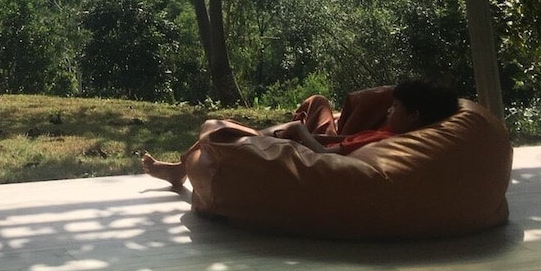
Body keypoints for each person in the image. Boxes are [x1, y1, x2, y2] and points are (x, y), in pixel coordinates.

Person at [141, 78, 459, 188]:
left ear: (414, 115)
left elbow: (327, 158)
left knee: (220, 129)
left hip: (309, 155)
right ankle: (275, 132)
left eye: (395, 108)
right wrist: (316, 135)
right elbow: (342, 143)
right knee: (316, 102)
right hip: (325, 142)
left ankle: (180, 170)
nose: (388, 111)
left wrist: (298, 134)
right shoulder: (392, 131)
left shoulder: (385, 141)